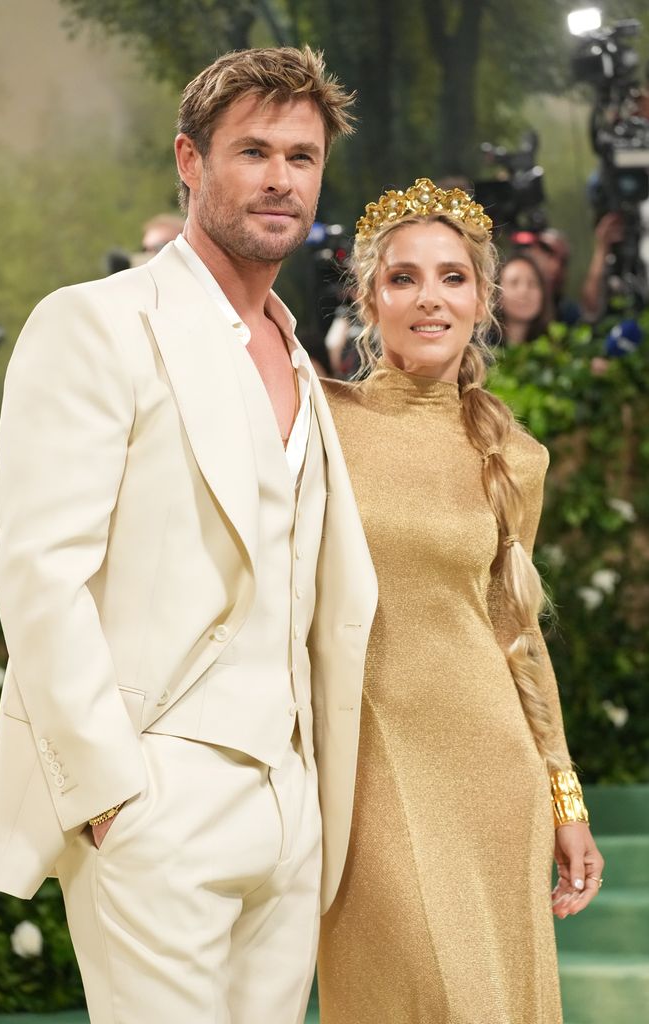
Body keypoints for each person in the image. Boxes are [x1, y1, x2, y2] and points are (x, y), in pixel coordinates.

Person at [0, 46, 377, 1024]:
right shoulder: (96, 325)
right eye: (253, 150)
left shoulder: (306, 363)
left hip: (293, 802)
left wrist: (315, 800)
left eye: (302, 156)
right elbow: (38, 573)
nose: (281, 178)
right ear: (190, 162)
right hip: (159, 785)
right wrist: (114, 791)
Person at [317, 178, 603, 1024]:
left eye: (452, 277)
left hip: (491, 770)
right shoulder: (316, 421)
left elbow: (516, 633)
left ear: (483, 300)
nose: (428, 298)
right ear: (370, 298)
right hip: (365, 770)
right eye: (403, 278)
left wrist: (565, 799)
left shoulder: (515, 455)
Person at [497, 250, 550, 345]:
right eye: (514, 282)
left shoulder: (555, 348)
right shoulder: (480, 350)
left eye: (532, 283)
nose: (524, 291)